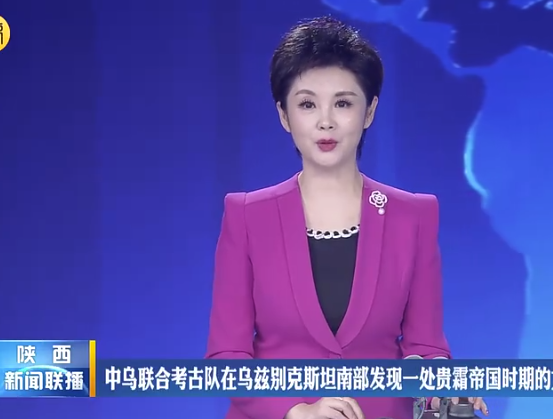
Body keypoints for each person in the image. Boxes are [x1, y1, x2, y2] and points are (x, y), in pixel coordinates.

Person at [205, 16, 488, 419]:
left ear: (369, 111)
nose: (326, 121)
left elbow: (425, 347)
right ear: (284, 115)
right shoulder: (247, 215)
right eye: (307, 104)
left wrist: (443, 389)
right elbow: (227, 358)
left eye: (343, 103)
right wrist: (295, 410)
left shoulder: (413, 216)